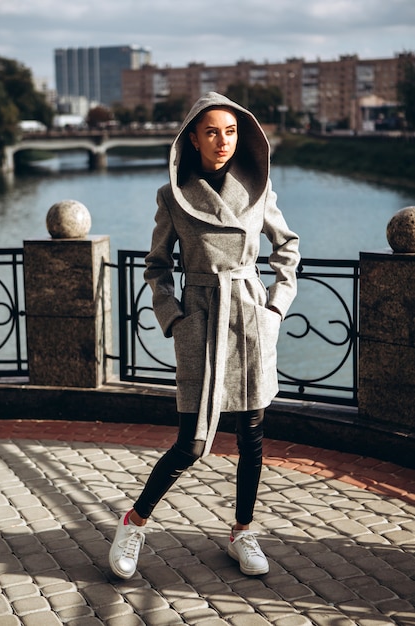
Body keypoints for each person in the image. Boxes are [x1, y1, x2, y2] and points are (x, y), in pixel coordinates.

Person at [109, 91, 300, 579]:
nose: (222, 141)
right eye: (212, 131)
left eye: (231, 131)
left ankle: (242, 531)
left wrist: (276, 306)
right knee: (192, 443)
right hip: (200, 322)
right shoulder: (172, 195)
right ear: (192, 138)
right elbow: (156, 266)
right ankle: (135, 521)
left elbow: (287, 247)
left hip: (251, 317)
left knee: (251, 434)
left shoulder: (258, 187)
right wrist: (172, 317)